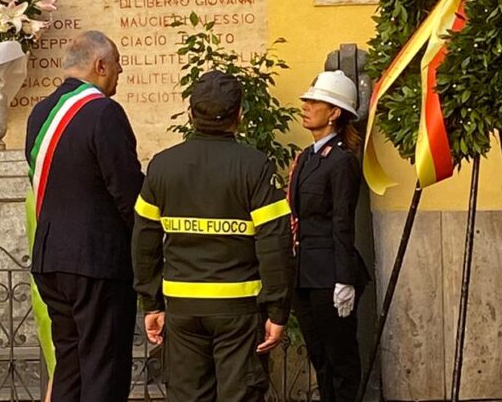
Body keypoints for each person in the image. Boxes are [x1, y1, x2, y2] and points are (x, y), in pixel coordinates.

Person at [132, 70, 294, 402]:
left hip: (181, 307)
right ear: (240, 115)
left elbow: (144, 241)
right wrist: (277, 311)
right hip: (238, 310)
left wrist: (151, 303)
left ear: (191, 114)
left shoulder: (162, 166)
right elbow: (274, 245)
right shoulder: (255, 166)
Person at [24, 30, 143, 402]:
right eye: (118, 64)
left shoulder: (40, 112)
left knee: (70, 366)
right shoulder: (103, 111)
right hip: (97, 261)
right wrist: (146, 248)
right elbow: (126, 191)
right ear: (100, 64)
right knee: (103, 368)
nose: (120, 73)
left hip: (51, 259)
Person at [288, 70, 370, 402]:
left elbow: (342, 222)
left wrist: (344, 279)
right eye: (307, 100)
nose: (306, 106)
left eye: (315, 102)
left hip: (330, 275)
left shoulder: (341, 162)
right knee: (319, 358)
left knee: (340, 360)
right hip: (305, 273)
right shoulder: (307, 157)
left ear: (334, 113)